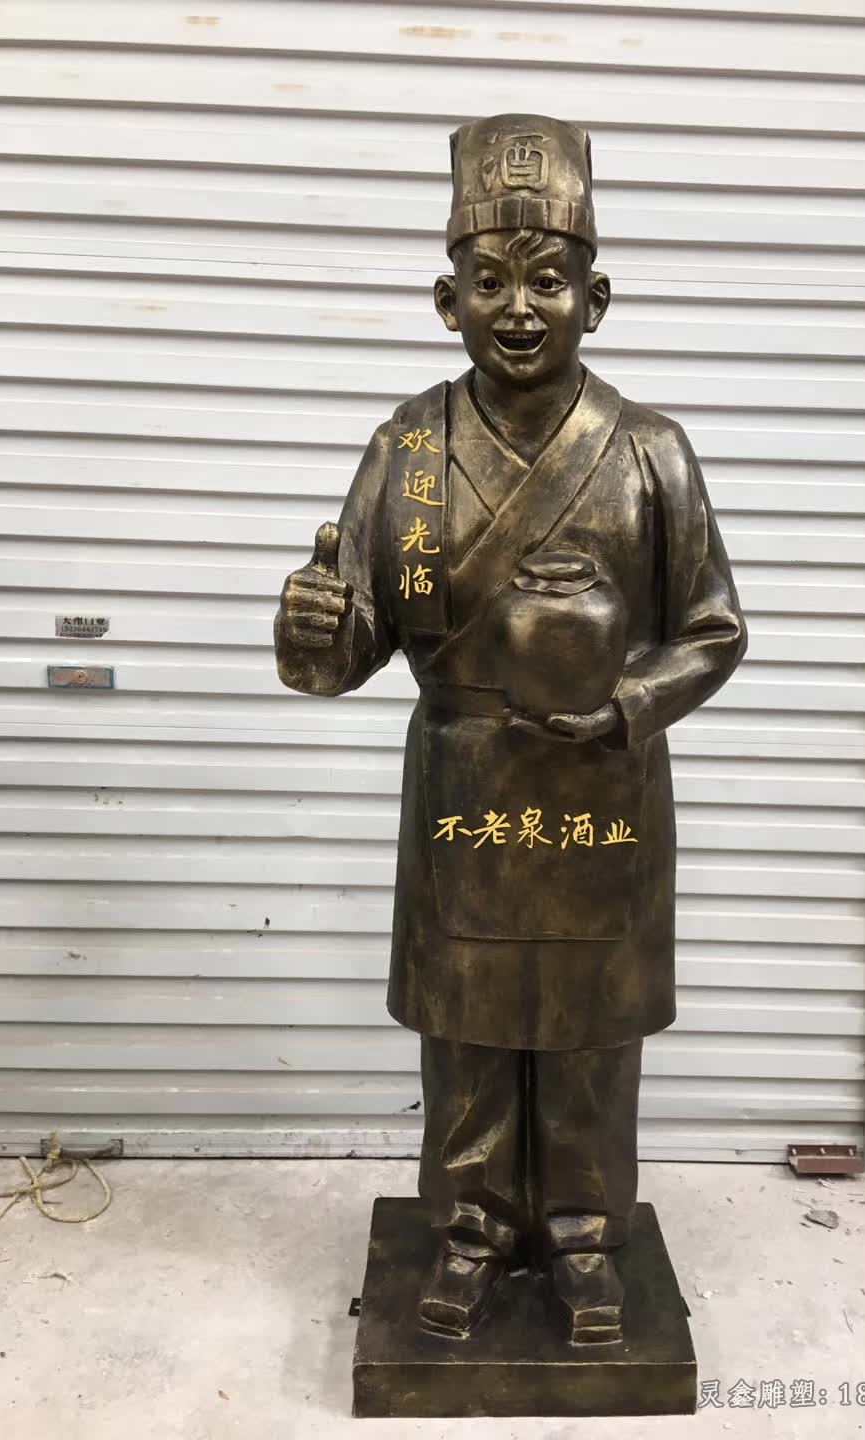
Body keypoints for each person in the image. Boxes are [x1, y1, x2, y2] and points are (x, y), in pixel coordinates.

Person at [275, 114, 746, 1345]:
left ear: (599, 298)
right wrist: (316, 627)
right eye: (490, 281)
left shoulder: (650, 454)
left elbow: (713, 630)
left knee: (590, 1031)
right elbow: (355, 641)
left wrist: (626, 705)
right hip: (467, 786)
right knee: (471, 1029)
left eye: (548, 280)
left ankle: (587, 1236)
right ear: (447, 301)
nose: (519, 308)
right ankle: (472, 1228)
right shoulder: (409, 450)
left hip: (603, 791)